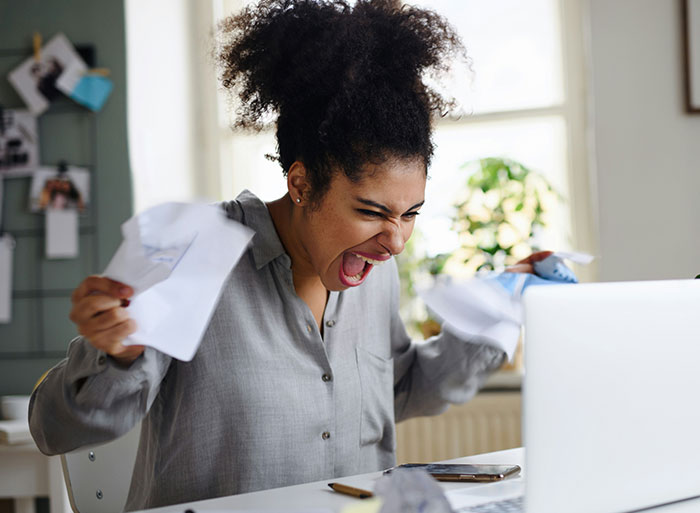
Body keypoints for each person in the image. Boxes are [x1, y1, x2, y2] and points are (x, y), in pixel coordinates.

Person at [29, 0, 546, 510]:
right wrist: (117, 356)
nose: (396, 242)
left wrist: (498, 310)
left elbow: (397, 390)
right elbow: (52, 429)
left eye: (410, 213)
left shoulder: (374, 269)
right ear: (301, 183)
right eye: (371, 211)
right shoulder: (194, 249)